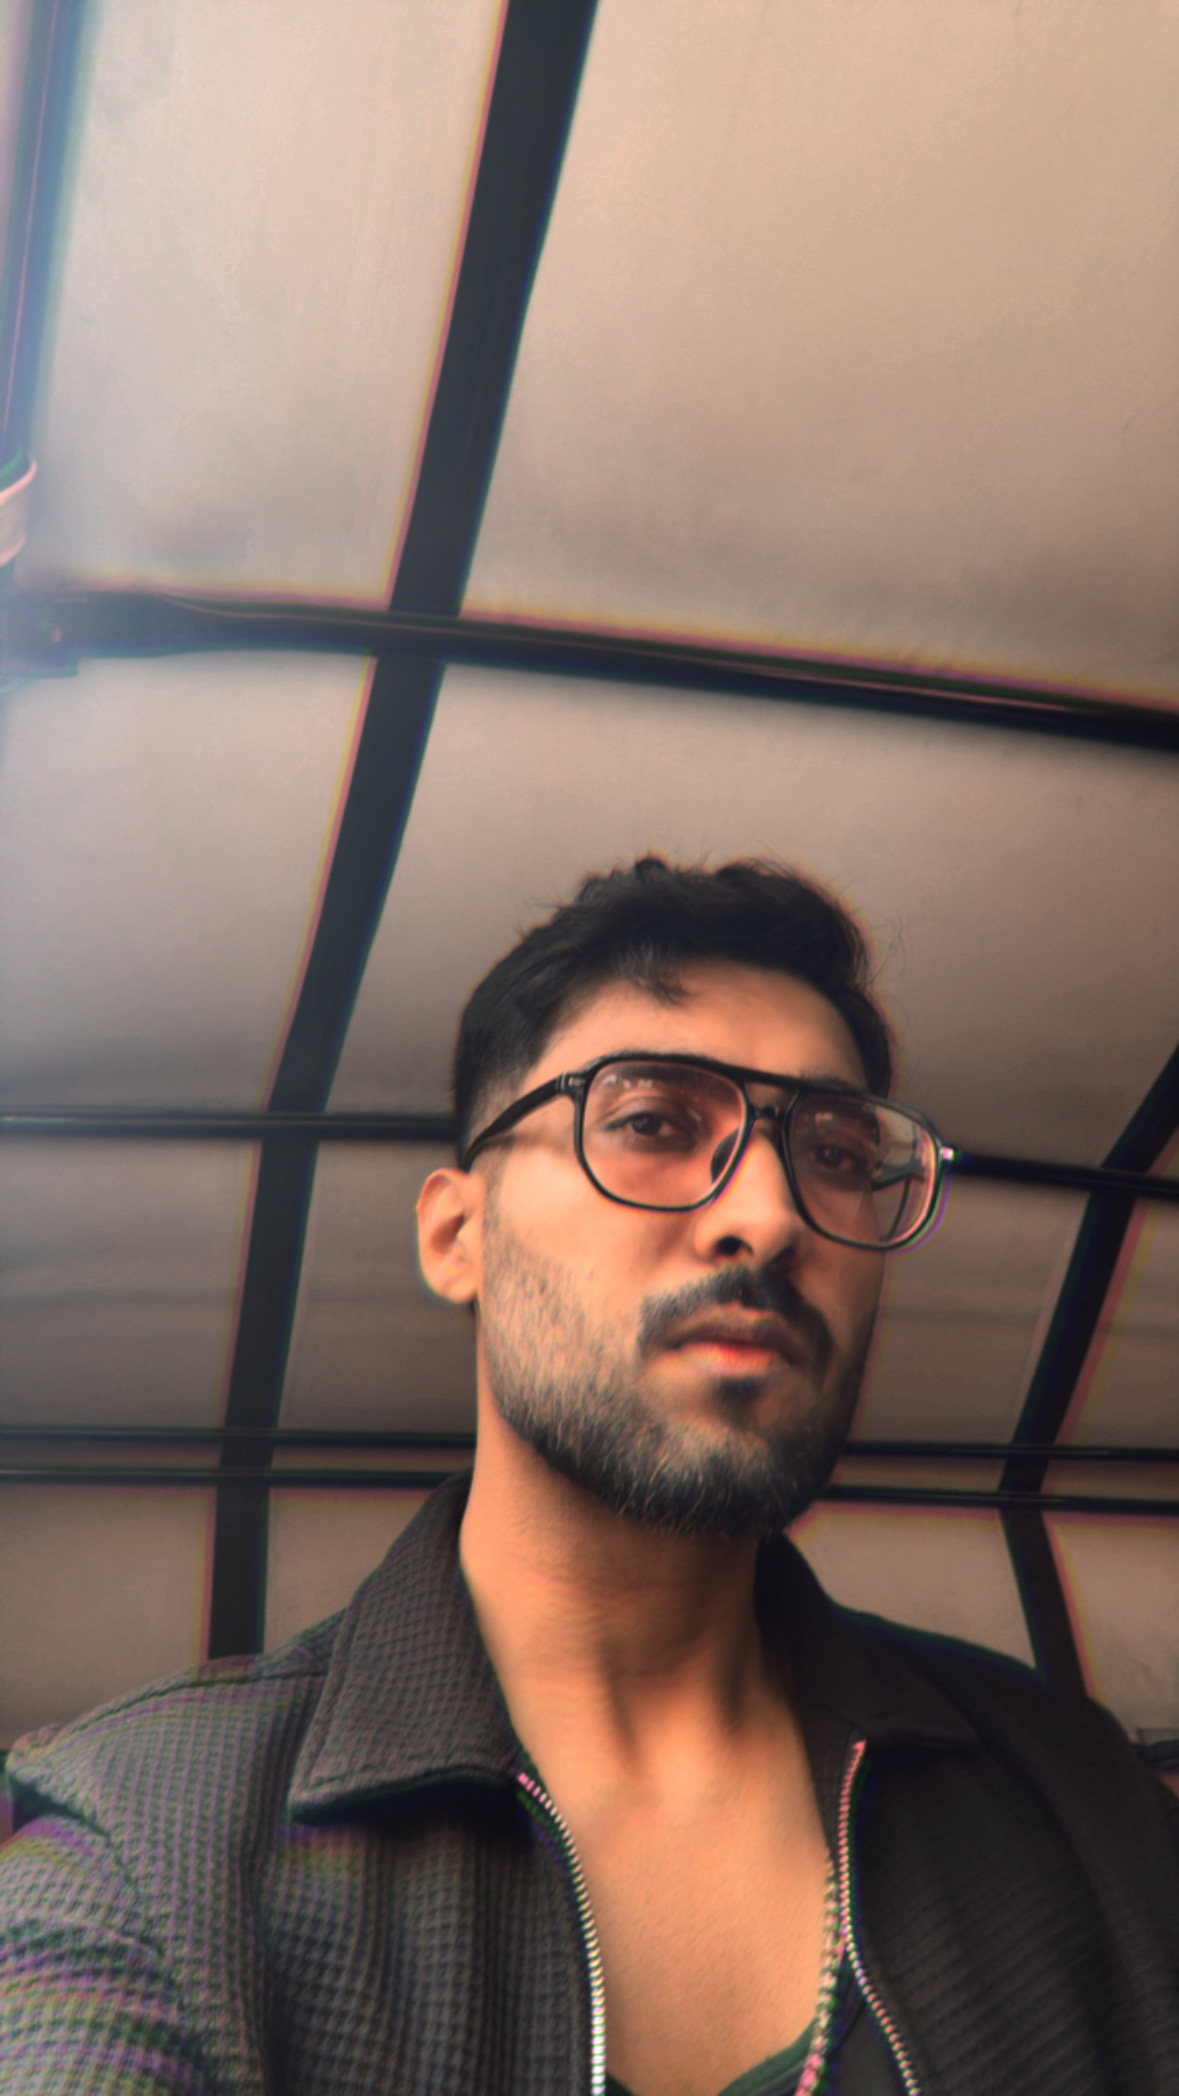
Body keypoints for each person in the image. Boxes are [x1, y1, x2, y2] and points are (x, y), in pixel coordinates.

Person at [1, 856, 1176, 2096]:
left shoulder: (1082, 1802)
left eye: (834, 1150)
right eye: (654, 1122)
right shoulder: (152, 1844)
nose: (771, 1214)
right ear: (458, 1233)